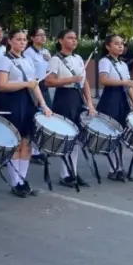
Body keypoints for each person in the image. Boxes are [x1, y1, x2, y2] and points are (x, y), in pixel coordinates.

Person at [0, 28, 52, 198]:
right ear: (10, 41)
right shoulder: (5, 60)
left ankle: (23, 180)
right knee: (16, 142)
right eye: (18, 39)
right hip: (12, 101)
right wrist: (25, 84)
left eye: (24, 39)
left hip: (28, 102)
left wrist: (43, 105)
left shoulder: (27, 60)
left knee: (27, 142)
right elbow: (1, 85)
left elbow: (34, 85)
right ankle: (15, 182)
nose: (21, 42)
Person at [45, 29, 96, 188]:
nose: (74, 40)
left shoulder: (79, 58)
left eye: (75, 38)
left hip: (77, 97)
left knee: (77, 139)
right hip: (64, 98)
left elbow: (85, 82)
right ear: (60, 40)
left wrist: (90, 103)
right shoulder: (55, 59)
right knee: (67, 136)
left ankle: (72, 171)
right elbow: (49, 81)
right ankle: (65, 174)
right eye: (70, 38)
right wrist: (71, 79)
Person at [96, 34, 133, 182]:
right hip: (110, 99)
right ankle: (113, 169)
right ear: (108, 46)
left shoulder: (123, 64)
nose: (120, 46)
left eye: (122, 44)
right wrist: (125, 82)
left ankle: (119, 167)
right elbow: (104, 80)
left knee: (122, 134)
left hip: (122, 99)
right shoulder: (105, 61)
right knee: (112, 135)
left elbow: (128, 87)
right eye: (116, 44)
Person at [23, 27, 51, 164]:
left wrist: (50, 60)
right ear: (33, 38)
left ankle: (39, 148)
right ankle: (33, 151)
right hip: (34, 87)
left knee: (45, 117)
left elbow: (50, 69)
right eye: (39, 35)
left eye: (44, 35)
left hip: (44, 87)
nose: (43, 37)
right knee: (35, 117)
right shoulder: (28, 53)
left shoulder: (46, 52)